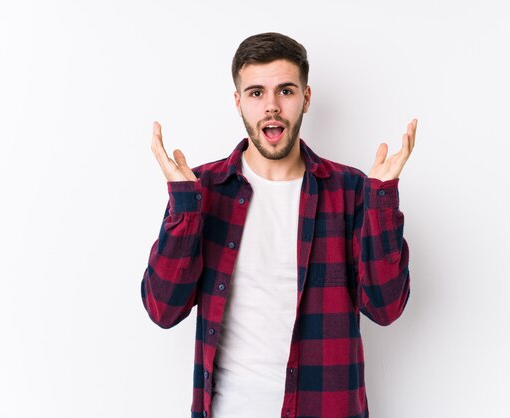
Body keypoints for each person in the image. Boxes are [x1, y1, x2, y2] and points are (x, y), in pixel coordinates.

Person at [141, 32, 417, 418]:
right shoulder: (202, 190)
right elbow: (162, 309)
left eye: (285, 91)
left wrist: (382, 200)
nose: (271, 107)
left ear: (306, 97)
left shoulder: (351, 190)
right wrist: (184, 209)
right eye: (256, 93)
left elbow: (387, 308)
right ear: (238, 101)